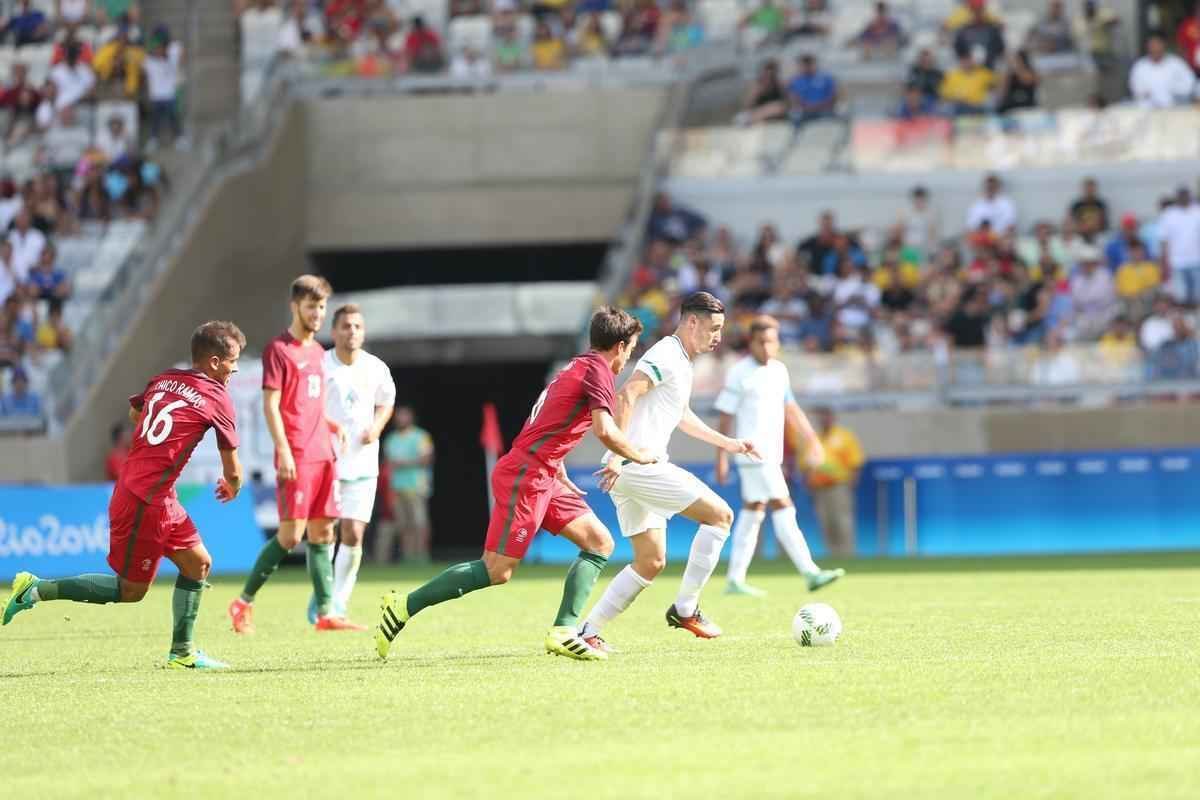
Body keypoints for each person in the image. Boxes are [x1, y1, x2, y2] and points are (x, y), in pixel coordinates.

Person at [374, 307, 657, 662]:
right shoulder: (598, 370)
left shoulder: (578, 365)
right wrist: (638, 455)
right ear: (619, 345)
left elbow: (548, 420)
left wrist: (558, 463)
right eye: (631, 348)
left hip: (544, 471)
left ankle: (564, 631)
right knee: (496, 570)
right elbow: (604, 429)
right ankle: (403, 606)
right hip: (527, 473)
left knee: (599, 542)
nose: (630, 355)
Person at [2, 321, 246, 670]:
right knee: (131, 591)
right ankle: (36, 589)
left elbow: (136, 414)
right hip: (143, 500)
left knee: (198, 563)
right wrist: (232, 486)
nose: (235, 369)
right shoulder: (217, 396)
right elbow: (233, 472)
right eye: (231, 361)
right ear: (212, 362)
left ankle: (182, 652)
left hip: (159, 495)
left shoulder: (165, 378)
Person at [579, 292, 761, 649]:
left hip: (628, 469)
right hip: (637, 464)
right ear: (692, 322)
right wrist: (619, 456)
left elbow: (680, 415)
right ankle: (686, 608)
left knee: (650, 561)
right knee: (720, 516)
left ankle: (587, 631)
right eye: (714, 329)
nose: (718, 337)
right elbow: (627, 394)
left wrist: (729, 443)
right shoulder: (666, 353)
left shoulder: (679, 360)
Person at [228, 275, 357, 634]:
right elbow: (272, 404)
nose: (317, 314)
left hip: (323, 453)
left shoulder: (318, 352)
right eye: (311, 306)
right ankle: (242, 603)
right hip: (297, 454)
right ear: (294, 306)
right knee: (289, 536)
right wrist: (283, 449)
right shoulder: (278, 350)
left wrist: (331, 424)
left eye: (321, 307)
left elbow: (308, 403)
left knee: (323, 532)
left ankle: (327, 613)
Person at [714, 316, 844, 596]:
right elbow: (725, 416)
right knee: (784, 505)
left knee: (753, 513)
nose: (767, 347)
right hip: (751, 454)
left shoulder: (779, 371)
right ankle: (810, 572)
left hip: (771, 455)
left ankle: (735, 579)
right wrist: (722, 457)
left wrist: (813, 441)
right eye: (761, 342)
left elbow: (791, 408)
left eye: (771, 341)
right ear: (751, 343)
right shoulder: (739, 372)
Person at [304, 304, 395, 625]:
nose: (352, 332)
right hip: (326, 463)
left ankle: (338, 604)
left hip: (364, 464)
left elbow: (387, 400)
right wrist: (331, 425)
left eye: (357, 326)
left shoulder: (376, 367)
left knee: (354, 533)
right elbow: (305, 405)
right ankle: (323, 599)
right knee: (324, 534)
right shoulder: (320, 365)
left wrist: (377, 427)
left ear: (363, 331)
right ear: (334, 331)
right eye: (345, 326)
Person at [804, 407, 863, 557]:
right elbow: (806, 465)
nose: (824, 420)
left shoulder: (844, 437)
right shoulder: (814, 438)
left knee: (842, 521)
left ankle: (847, 554)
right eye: (821, 417)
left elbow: (855, 463)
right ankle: (833, 554)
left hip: (838, 486)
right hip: (819, 488)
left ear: (833, 417)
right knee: (826, 522)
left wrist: (851, 484)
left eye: (827, 416)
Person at [381, 405, 433, 562]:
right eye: (399, 416)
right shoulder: (391, 439)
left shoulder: (421, 436)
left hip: (416, 486)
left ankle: (422, 555)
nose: (402, 419)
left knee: (419, 522)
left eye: (405, 416)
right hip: (397, 487)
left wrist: (404, 463)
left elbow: (427, 459)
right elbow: (387, 463)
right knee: (403, 524)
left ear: (411, 417)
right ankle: (409, 556)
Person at [1129, 32, 1196, 109]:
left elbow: (1189, 84)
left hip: (1174, 110)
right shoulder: (1139, 66)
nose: (1155, 48)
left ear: (1164, 44)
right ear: (1147, 46)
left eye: (1158, 44)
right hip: (1147, 111)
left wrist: (1171, 90)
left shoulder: (1176, 63)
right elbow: (1136, 89)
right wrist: (1154, 93)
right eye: (1152, 45)